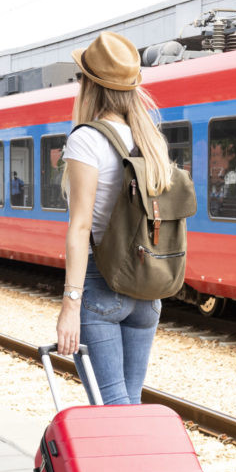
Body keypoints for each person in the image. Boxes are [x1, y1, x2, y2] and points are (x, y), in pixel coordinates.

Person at [55, 31, 178, 405]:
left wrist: (70, 305)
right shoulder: (150, 139)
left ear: (89, 85)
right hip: (147, 291)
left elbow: (80, 228)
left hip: (102, 284)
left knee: (110, 406)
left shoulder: (86, 139)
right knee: (130, 403)